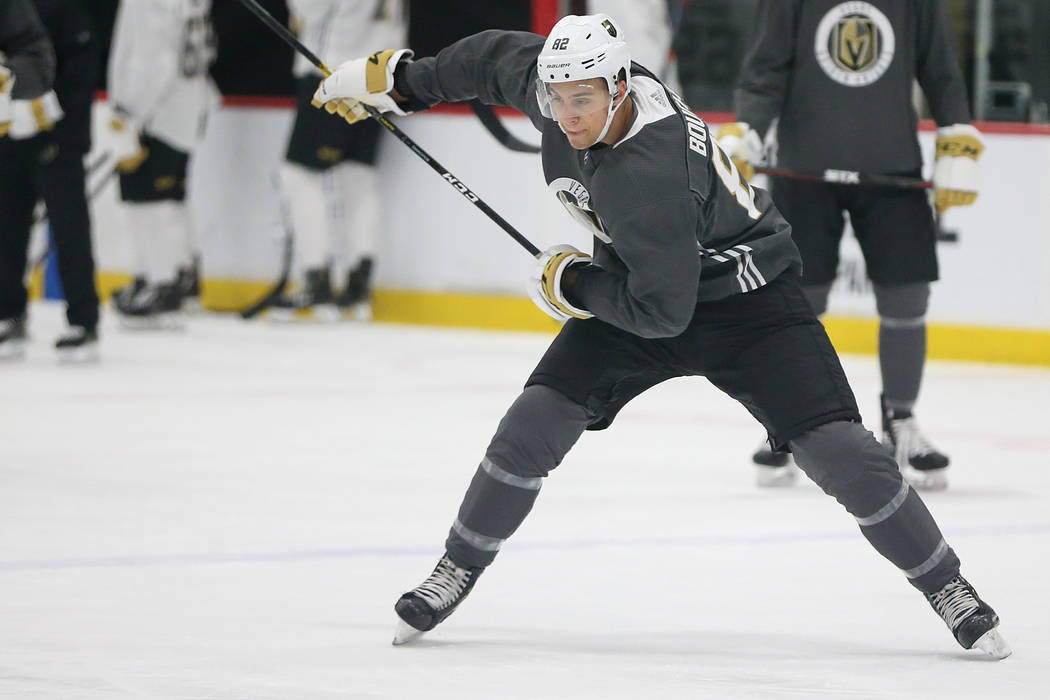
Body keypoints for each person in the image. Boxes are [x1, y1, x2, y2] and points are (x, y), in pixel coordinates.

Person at [312, 14, 1009, 658]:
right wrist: (396, 80)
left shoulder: (653, 174)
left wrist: (571, 286)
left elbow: (663, 315)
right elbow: (491, 59)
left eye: (583, 101)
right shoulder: (560, 84)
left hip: (745, 302)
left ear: (620, 87)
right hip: (643, 284)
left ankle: (948, 586)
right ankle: (453, 570)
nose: (567, 115)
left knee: (844, 455)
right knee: (531, 425)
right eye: (556, 99)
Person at [716, 0, 982, 491]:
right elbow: (766, 69)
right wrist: (748, 129)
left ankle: (901, 421)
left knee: (907, 293)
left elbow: (939, 67)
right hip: (805, 168)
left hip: (891, 168)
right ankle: (790, 422)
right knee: (797, 301)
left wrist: (956, 135)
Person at [270, 0, 406, 321]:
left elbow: (310, 10)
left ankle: (315, 278)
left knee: (299, 175)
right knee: (356, 176)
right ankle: (357, 285)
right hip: (381, 74)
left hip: (335, 70)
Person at [1, 0, 101, 362]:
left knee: (69, 228)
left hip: (56, 138)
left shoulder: (68, 10)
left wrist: (61, 127)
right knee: (8, 227)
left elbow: (79, 70)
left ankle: (83, 318)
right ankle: (9, 311)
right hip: (11, 132)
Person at [104, 0, 215, 328]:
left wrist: (128, 111)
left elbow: (155, 61)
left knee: (149, 202)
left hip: (158, 111)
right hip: (187, 102)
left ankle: (163, 284)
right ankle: (177, 278)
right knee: (170, 198)